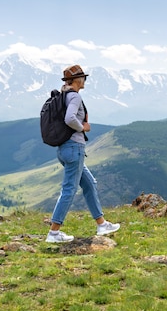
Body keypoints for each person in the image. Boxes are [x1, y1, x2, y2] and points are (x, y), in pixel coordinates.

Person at [46, 65, 120, 243]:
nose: (84, 81)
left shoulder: (62, 97)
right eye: (83, 78)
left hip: (64, 149)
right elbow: (70, 118)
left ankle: (101, 224)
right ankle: (54, 233)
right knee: (69, 189)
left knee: (89, 183)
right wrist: (83, 127)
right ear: (78, 80)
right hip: (74, 148)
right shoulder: (75, 97)